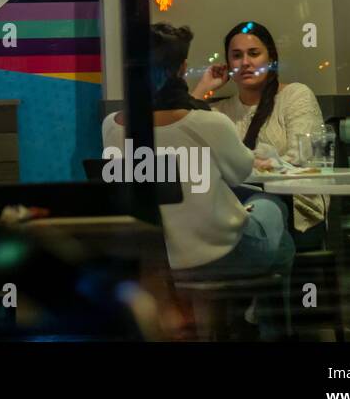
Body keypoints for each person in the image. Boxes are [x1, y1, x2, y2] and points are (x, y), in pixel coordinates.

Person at [102, 23, 293, 338]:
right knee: (273, 208)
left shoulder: (111, 126)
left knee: (274, 238)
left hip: (156, 257)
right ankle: (269, 327)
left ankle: (235, 323)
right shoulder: (210, 123)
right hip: (216, 255)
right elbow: (243, 173)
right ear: (183, 67)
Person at [191, 21, 328, 249]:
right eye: (236, 56)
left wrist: (241, 165)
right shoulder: (219, 111)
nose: (245, 62)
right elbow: (181, 139)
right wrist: (202, 89)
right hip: (231, 207)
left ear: (271, 60)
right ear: (228, 64)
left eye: (254, 53)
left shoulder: (295, 96)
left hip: (294, 209)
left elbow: (301, 158)